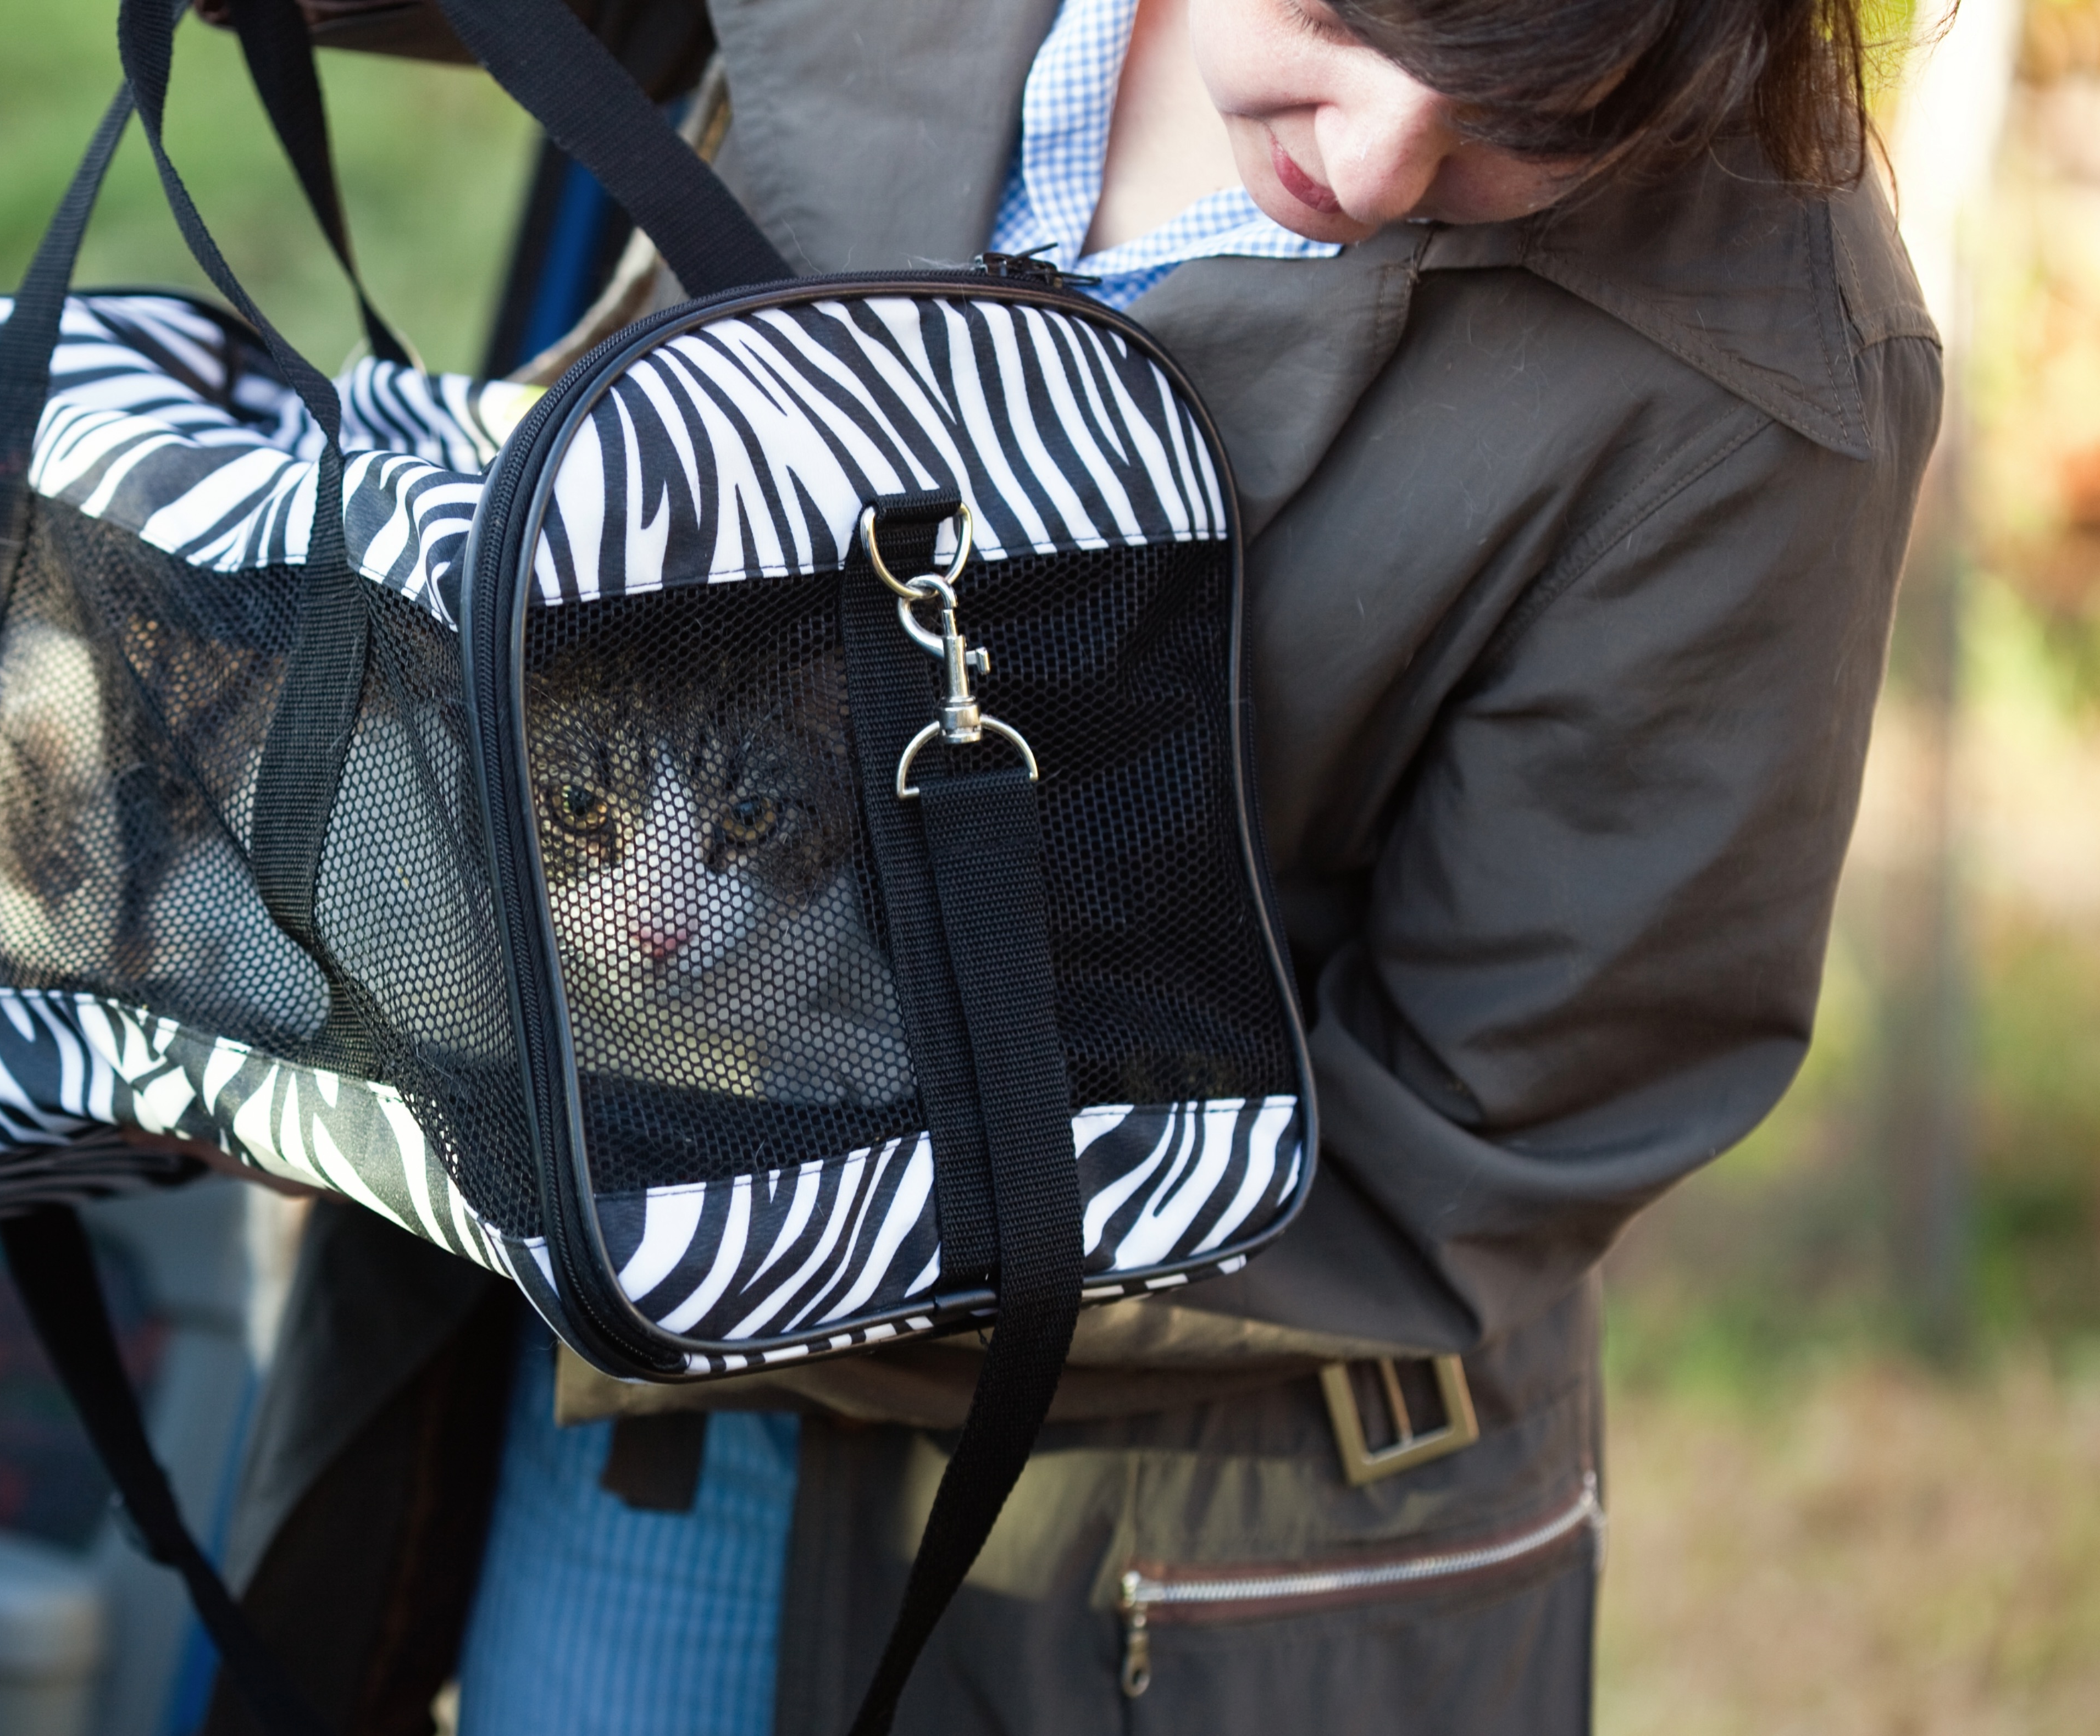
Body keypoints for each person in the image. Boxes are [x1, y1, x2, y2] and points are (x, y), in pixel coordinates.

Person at [198, 1, 1938, 1731]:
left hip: (1133, 1529)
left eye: (1541, 108)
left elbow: (1483, 1137)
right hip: (624, 1427)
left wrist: (695, 1211)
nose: (1373, 158)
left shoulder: (1768, 380)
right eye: (1339, 14)